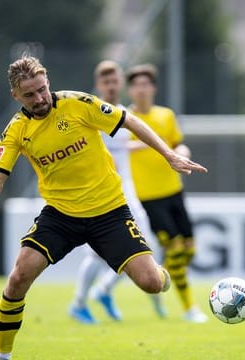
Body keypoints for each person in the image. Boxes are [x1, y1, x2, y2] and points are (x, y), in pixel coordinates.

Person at [0, 56, 207, 360]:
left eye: (42, 89)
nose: (39, 99)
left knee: (152, 284)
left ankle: (160, 272)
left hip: (110, 211)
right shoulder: (16, 130)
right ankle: (1, 356)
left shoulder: (78, 103)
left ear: (47, 80)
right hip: (60, 215)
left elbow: (129, 120)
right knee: (19, 276)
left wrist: (168, 154)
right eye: (29, 95)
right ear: (16, 96)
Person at [69, 60, 166, 324]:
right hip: (104, 194)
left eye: (115, 81)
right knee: (104, 252)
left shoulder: (120, 113)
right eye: (106, 82)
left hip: (127, 193)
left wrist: (148, 146)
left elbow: (119, 147)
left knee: (146, 247)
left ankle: (100, 291)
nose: (111, 86)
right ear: (97, 85)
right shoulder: (90, 114)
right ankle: (83, 300)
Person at [125, 63, 207, 323]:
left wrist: (182, 151)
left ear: (153, 88)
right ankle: (189, 308)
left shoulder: (166, 116)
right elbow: (116, 148)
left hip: (173, 191)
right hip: (147, 198)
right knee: (174, 249)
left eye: (146, 83)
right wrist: (141, 145)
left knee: (189, 250)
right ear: (130, 89)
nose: (141, 88)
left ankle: (155, 277)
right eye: (136, 84)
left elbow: (176, 142)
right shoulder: (124, 118)